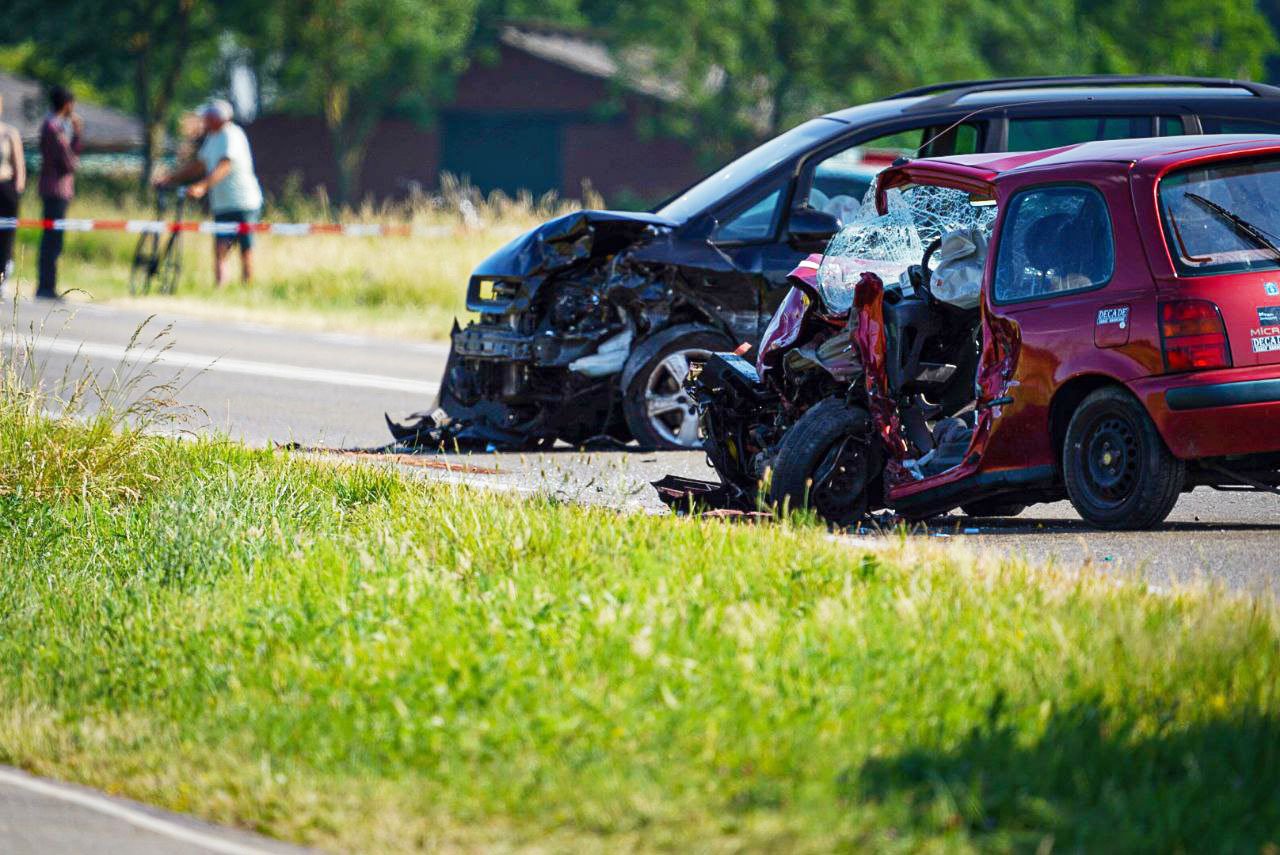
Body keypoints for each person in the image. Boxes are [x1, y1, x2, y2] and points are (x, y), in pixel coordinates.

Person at [158, 99, 262, 286]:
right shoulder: (213, 138)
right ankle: (220, 289)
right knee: (220, 249)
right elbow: (200, 165)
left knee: (246, 249)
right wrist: (171, 178)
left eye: (207, 117)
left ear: (217, 118)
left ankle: (248, 289)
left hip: (243, 202)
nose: (204, 120)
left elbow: (225, 165)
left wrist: (202, 186)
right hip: (222, 204)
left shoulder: (232, 135)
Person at [38, 85, 81, 299]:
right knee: (52, 240)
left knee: (53, 239)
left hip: (54, 188)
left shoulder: (52, 125)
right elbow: (69, 161)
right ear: (66, 104)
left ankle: (47, 283)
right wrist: (78, 134)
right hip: (56, 189)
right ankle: (46, 285)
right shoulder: (55, 127)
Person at [0, 93, 26, 287]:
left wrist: (18, 190)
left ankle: (3, 273)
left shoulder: (9, 133)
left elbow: (19, 165)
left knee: (6, 234)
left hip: (5, 188)